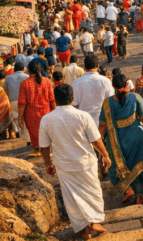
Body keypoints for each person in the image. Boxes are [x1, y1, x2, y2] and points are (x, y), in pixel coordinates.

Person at [39, 84, 111, 240]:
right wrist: (105, 155)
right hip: (85, 163)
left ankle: (84, 229)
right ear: (72, 98)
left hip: (64, 165)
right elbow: (96, 140)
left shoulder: (46, 119)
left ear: (55, 100)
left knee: (72, 198)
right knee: (93, 192)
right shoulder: (83, 116)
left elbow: (44, 146)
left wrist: (47, 164)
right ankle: (93, 221)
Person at [99, 73, 143, 205]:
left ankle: (128, 189)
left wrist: (99, 141)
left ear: (113, 86)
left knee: (117, 166)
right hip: (136, 136)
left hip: (117, 140)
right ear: (127, 85)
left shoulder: (107, 103)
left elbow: (102, 125)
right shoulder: (136, 97)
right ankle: (140, 196)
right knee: (138, 165)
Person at [18, 62, 56, 155]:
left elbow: (22, 103)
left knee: (34, 133)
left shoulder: (24, 84)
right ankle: (48, 150)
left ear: (28, 71)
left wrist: (20, 118)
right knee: (47, 132)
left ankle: (37, 149)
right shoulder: (47, 81)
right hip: (46, 112)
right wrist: (55, 112)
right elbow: (52, 99)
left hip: (31, 114)